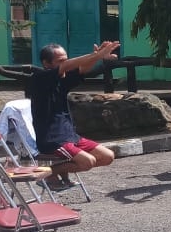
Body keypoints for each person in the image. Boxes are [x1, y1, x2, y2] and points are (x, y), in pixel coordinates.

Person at [28, 41, 120, 189]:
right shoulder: (40, 78)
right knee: (87, 162)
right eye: (60, 61)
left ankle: (54, 173)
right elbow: (68, 66)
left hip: (71, 136)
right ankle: (47, 175)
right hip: (52, 140)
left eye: (66, 59)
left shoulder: (62, 79)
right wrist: (96, 55)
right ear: (46, 63)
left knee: (107, 156)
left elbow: (82, 69)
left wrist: (98, 57)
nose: (66, 63)